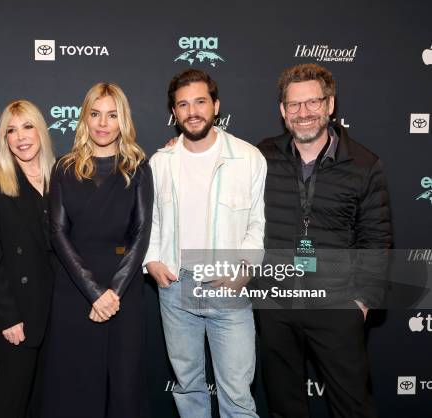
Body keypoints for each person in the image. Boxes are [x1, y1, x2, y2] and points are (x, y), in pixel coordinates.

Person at [256, 63, 392, 417]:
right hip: (278, 304)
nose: (304, 114)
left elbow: (376, 237)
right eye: (294, 105)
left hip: (336, 304)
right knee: (285, 407)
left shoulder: (364, 164)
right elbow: (211, 161)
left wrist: (362, 302)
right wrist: (179, 147)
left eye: (313, 103)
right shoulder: (261, 157)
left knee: (352, 406)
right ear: (282, 111)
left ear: (330, 105)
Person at [143, 68, 266, 418]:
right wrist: (152, 260)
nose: (192, 111)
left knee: (238, 397)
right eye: (183, 104)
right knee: (188, 388)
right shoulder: (160, 162)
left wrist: (246, 266)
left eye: (199, 101)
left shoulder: (248, 158)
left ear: (216, 105)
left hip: (228, 287)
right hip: (176, 287)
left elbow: (257, 221)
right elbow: (149, 221)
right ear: (174, 112)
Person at [41, 82, 153, 418]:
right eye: (95, 114)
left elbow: (142, 232)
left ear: (123, 121)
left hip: (123, 291)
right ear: (85, 119)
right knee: (75, 386)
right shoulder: (64, 168)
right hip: (74, 291)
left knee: (124, 386)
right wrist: (94, 293)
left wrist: (112, 294)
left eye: (112, 115)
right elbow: (58, 233)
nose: (103, 123)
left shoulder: (138, 167)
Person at [0, 100, 55, 418]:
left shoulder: (61, 176)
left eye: (27, 126)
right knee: (10, 404)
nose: (21, 137)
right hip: (16, 316)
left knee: (44, 404)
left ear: (41, 131)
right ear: (3, 140)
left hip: (58, 312)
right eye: (11, 130)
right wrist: (5, 318)